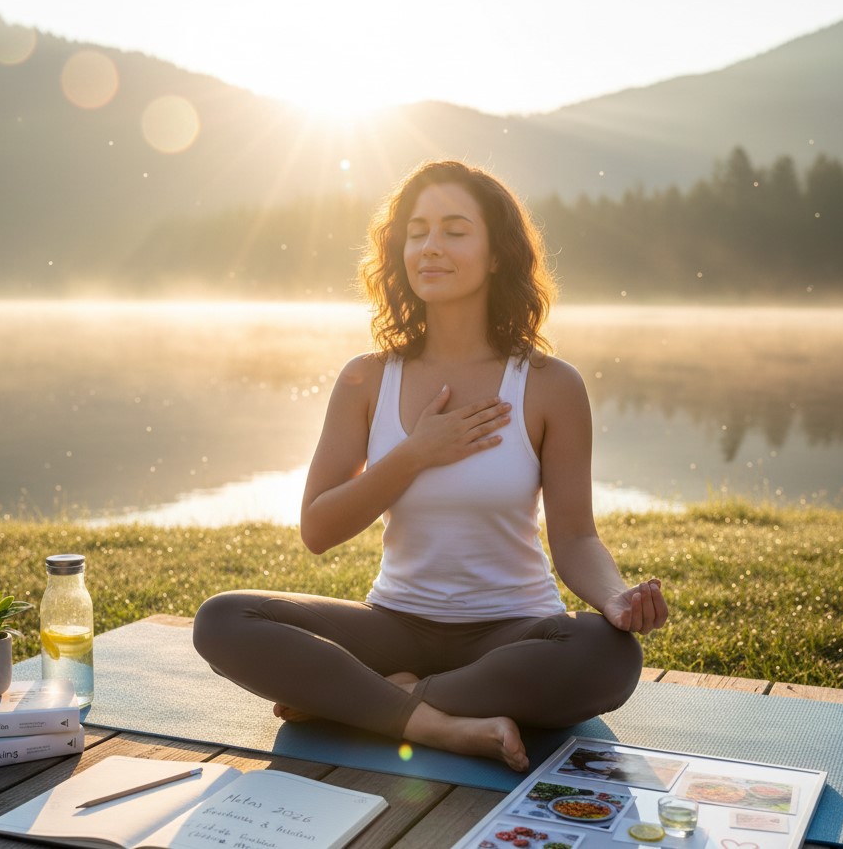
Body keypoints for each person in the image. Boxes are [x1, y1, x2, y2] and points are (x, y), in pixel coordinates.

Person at [193, 160, 668, 772]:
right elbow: (318, 529)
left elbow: (575, 536)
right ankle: (442, 724)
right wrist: (415, 453)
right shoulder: (366, 378)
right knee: (223, 618)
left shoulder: (550, 385)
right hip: (394, 625)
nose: (429, 248)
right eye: (416, 232)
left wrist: (617, 599)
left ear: (497, 254)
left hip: (513, 629)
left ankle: (369, 701)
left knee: (608, 654)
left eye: (454, 230)